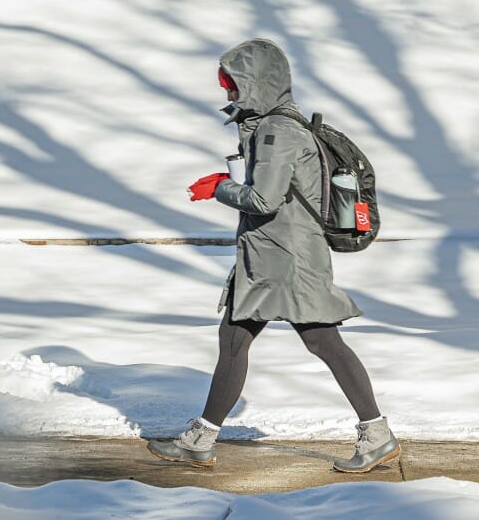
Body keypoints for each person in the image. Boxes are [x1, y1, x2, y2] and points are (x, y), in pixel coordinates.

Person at [146, 38, 399, 473]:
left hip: (285, 261)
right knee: (247, 340)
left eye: (233, 86)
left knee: (316, 341)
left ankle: (377, 435)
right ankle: (201, 439)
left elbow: (264, 199)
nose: (228, 95)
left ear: (256, 84)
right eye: (227, 86)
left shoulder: (276, 131)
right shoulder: (277, 126)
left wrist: (219, 188)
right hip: (276, 256)